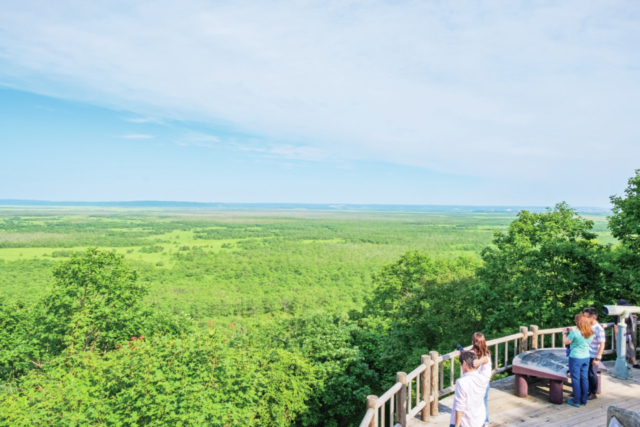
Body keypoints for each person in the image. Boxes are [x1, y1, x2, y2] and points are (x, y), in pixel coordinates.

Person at [563, 313, 594, 407]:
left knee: (576, 379)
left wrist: (564, 333)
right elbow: (589, 341)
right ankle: (584, 400)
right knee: (584, 378)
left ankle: (576, 400)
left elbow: (566, 342)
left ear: (578, 322)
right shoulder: (591, 332)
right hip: (586, 357)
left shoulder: (574, 333)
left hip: (575, 358)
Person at [450, 351, 487, 427]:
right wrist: (480, 361)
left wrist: (457, 425)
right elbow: (487, 360)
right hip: (479, 421)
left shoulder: (461, 382)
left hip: (466, 423)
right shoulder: (484, 378)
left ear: (464, 363)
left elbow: (460, 407)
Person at [583, 307, 605, 400]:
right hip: (585, 353)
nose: (584, 319)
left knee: (592, 374)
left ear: (593, 317)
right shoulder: (587, 326)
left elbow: (602, 344)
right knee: (584, 373)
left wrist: (597, 358)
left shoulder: (598, 329)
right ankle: (584, 391)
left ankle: (593, 392)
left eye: (587, 317)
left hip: (593, 355)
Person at [471, 333, 491, 427]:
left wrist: (478, 361)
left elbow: (484, 359)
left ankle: (480, 422)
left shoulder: (479, 356)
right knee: (484, 403)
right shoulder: (487, 352)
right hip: (486, 383)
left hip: (479, 385)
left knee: (477, 404)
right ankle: (485, 421)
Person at [613, 299, 639, 369]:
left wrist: (633, 316)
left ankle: (635, 363)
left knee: (631, 349)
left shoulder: (628, 313)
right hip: (621, 334)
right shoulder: (618, 315)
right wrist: (617, 335)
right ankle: (623, 364)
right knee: (622, 350)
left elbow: (627, 317)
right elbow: (616, 325)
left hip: (628, 334)